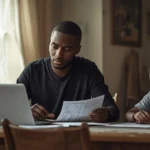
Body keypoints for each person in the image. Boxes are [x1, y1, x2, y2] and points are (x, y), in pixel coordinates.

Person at [17, 21, 119, 122]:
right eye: (54, 46)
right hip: (39, 135)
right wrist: (27, 112)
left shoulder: (89, 71)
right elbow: (11, 107)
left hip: (75, 135)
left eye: (67, 49)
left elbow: (113, 110)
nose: (58, 54)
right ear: (49, 43)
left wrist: (106, 113)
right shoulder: (32, 70)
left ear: (77, 50)